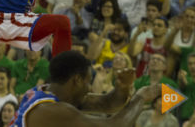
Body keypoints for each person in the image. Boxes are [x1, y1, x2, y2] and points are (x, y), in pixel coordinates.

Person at [12, 50, 160, 127]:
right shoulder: (51, 110)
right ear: (77, 80)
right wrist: (141, 97)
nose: (89, 88)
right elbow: (115, 125)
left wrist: (122, 88)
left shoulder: (45, 92)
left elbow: (108, 104)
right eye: (88, 82)